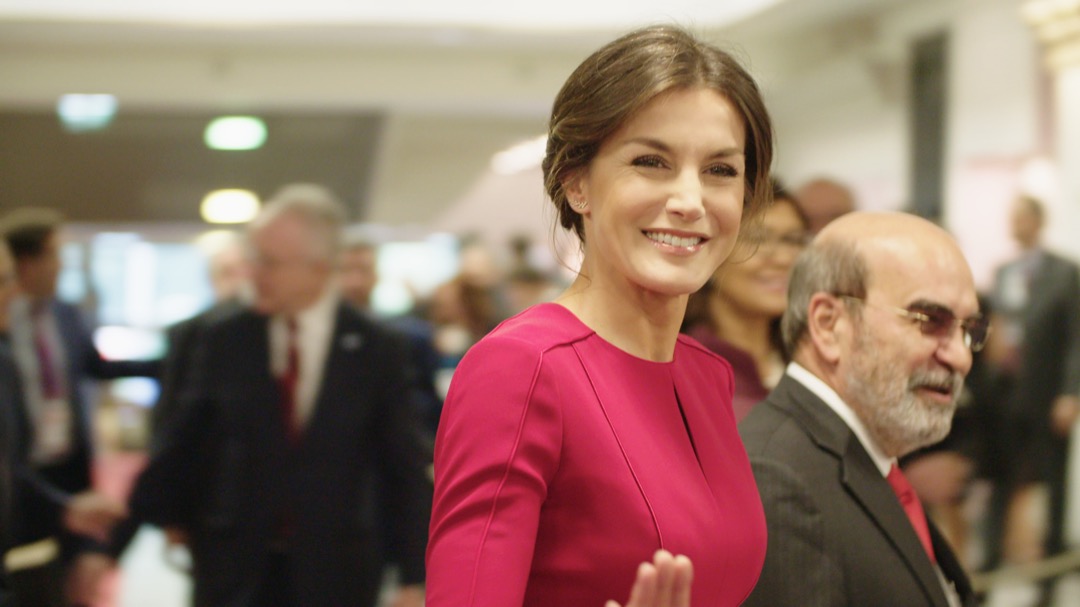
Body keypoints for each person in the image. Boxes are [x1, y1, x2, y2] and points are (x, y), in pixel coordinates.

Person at [426, 24, 774, 607]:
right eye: (651, 162)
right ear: (577, 183)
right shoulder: (522, 368)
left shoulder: (707, 374)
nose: (690, 201)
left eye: (720, 170)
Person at [117, 183, 431, 607]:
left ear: (319, 267)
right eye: (253, 259)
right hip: (233, 564)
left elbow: (403, 463)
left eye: (268, 262)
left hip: (337, 568)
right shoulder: (224, 336)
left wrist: (415, 576)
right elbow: (181, 441)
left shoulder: (377, 346)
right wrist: (114, 540)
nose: (253, 274)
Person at [739, 211, 981, 606]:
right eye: (929, 320)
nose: (961, 357)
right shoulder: (777, 480)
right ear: (828, 325)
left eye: (969, 330)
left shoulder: (864, 459)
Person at [0, 208, 150, 606]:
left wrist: (171, 362)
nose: (61, 265)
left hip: (63, 465)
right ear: (27, 261)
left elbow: (96, 366)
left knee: (66, 578)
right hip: (24, 468)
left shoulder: (64, 313)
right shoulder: (8, 332)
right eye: (54, 254)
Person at [989, 195, 1080, 589]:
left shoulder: (1064, 272)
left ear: (1037, 221)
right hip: (1006, 396)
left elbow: (1076, 337)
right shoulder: (1003, 272)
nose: (1015, 224)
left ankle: (1050, 579)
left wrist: (1071, 392)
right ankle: (988, 569)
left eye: (1021, 217)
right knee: (1001, 481)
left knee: (1054, 486)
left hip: (1047, 396)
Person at [682, 179, 810, 421]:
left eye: (793, 240)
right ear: (711, 251)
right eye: (757, 240)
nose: (784, 259)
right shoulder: (686, 365)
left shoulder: (811, 357)